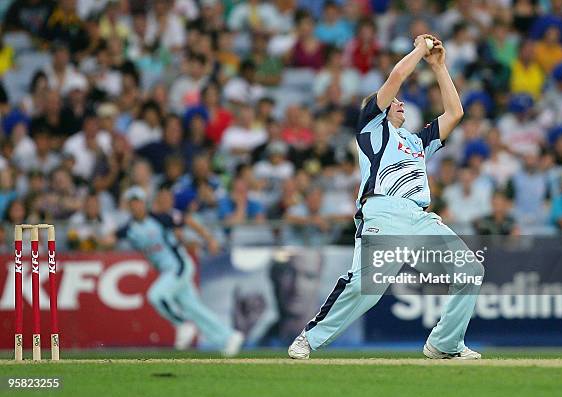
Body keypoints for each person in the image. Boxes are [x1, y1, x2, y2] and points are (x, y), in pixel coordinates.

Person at [288, 34, 483, 360]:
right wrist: (420, 50)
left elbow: (455, 113)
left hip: (419, 217)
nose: (401, 103)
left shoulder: (417, 142)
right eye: (395, 101)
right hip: (383, 210)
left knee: (470, 272)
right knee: (368, 288)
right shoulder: (371, 128)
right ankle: (310, 338)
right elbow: (395, 78)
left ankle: (444, 344)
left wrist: (439, 66)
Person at [103, 186, 243, 355]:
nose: (136, 207)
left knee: (156, 296)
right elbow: (110, 238)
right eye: (132, 203)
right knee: (193, 307)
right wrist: (101, 239)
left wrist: (209, 239)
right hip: (167, 270)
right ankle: (228, 337)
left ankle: (181, 323)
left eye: (138, 202)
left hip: (179, 266)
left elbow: (187, 220)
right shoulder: (129, 229)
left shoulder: (159, 218)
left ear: (144, 203)